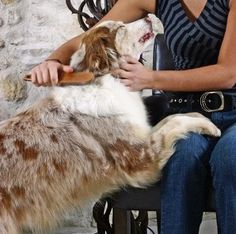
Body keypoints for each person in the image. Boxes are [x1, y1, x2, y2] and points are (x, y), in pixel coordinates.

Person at [30, 0, 236, 233]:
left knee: (230, 156)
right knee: (182, 154)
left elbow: (228, 73)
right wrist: (52, 61)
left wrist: (151, 79)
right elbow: (89, 39)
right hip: (186, 113)